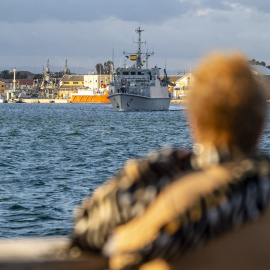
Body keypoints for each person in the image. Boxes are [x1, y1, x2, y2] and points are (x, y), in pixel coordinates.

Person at [70, 52, 270, 269]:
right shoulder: (261, 189)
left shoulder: (172, 197)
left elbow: (90, 229)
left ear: (194, 122)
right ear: (261, 127)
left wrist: (152, 169)